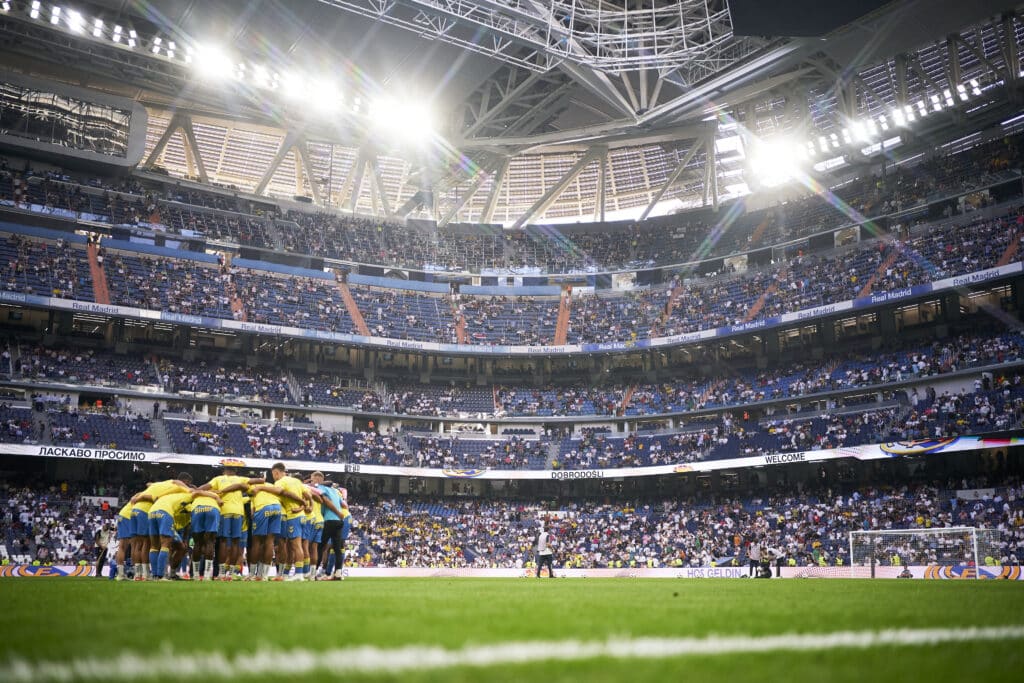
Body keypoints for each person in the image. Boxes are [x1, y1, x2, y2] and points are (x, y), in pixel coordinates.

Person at [198, 461, 264, 581]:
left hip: (225, 511)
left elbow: (202, 488)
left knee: (223, 542)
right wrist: (252, 482)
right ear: (236, 471)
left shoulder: (218, 479)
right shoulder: (241, 479)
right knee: (235, 543)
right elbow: (260, 480)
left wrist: (211, 492)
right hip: (238, 512)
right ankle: (231, 573)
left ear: (224, 470)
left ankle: (222, 574)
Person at [128, 474, 192, 581]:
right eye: (187, 484)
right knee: (153, 544)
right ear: (184, 482)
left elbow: (148, 485)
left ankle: (146, 574)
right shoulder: (181, 490)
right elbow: (194, 491)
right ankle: (157, 575)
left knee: (144, 545)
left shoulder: (160, 486)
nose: (187, 487)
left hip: (144, 511)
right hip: (156, 512)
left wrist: (136, 496)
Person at [269, 463, 309, 581]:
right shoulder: (296, 481)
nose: (274, 477)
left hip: (293, 516)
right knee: (295, 546)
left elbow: (281, 492)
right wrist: (304, 506)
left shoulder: (280, 482)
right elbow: (307, 495)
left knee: (296, 546)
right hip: (301, 516)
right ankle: (290, 573)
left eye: (273, 474)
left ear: (276, 472)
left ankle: (298, 573)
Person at [312, 473, 349, 581]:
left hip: (330, 520)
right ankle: (338, 573)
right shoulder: (335, 491)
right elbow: (344, 505)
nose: (313, 482)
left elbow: (326, 502)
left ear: (318, 479)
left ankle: (313, 574)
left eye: (314, 479)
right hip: (339, 522)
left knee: (320, 547)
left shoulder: (320, 488)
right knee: (337, 549)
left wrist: (336, 512)